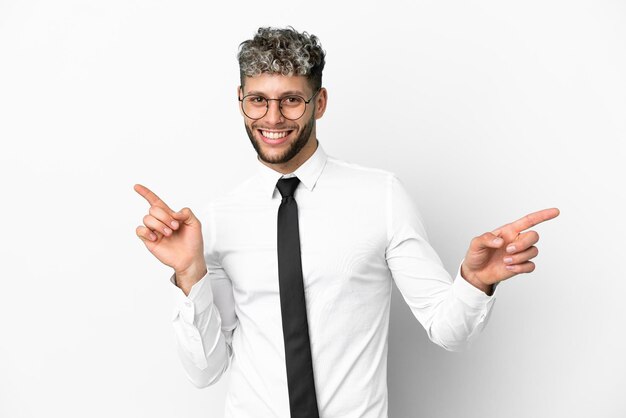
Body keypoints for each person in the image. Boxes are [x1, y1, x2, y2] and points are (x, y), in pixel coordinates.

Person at [134, 27, 559, 418]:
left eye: (292, 99)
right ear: (241, 100)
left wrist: (474, 280)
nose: (273, 117)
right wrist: (190, 273)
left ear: (319, 102)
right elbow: (206, 370)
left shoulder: (382, 197)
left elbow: (449, 330)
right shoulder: (221, 219)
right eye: (259, 99)